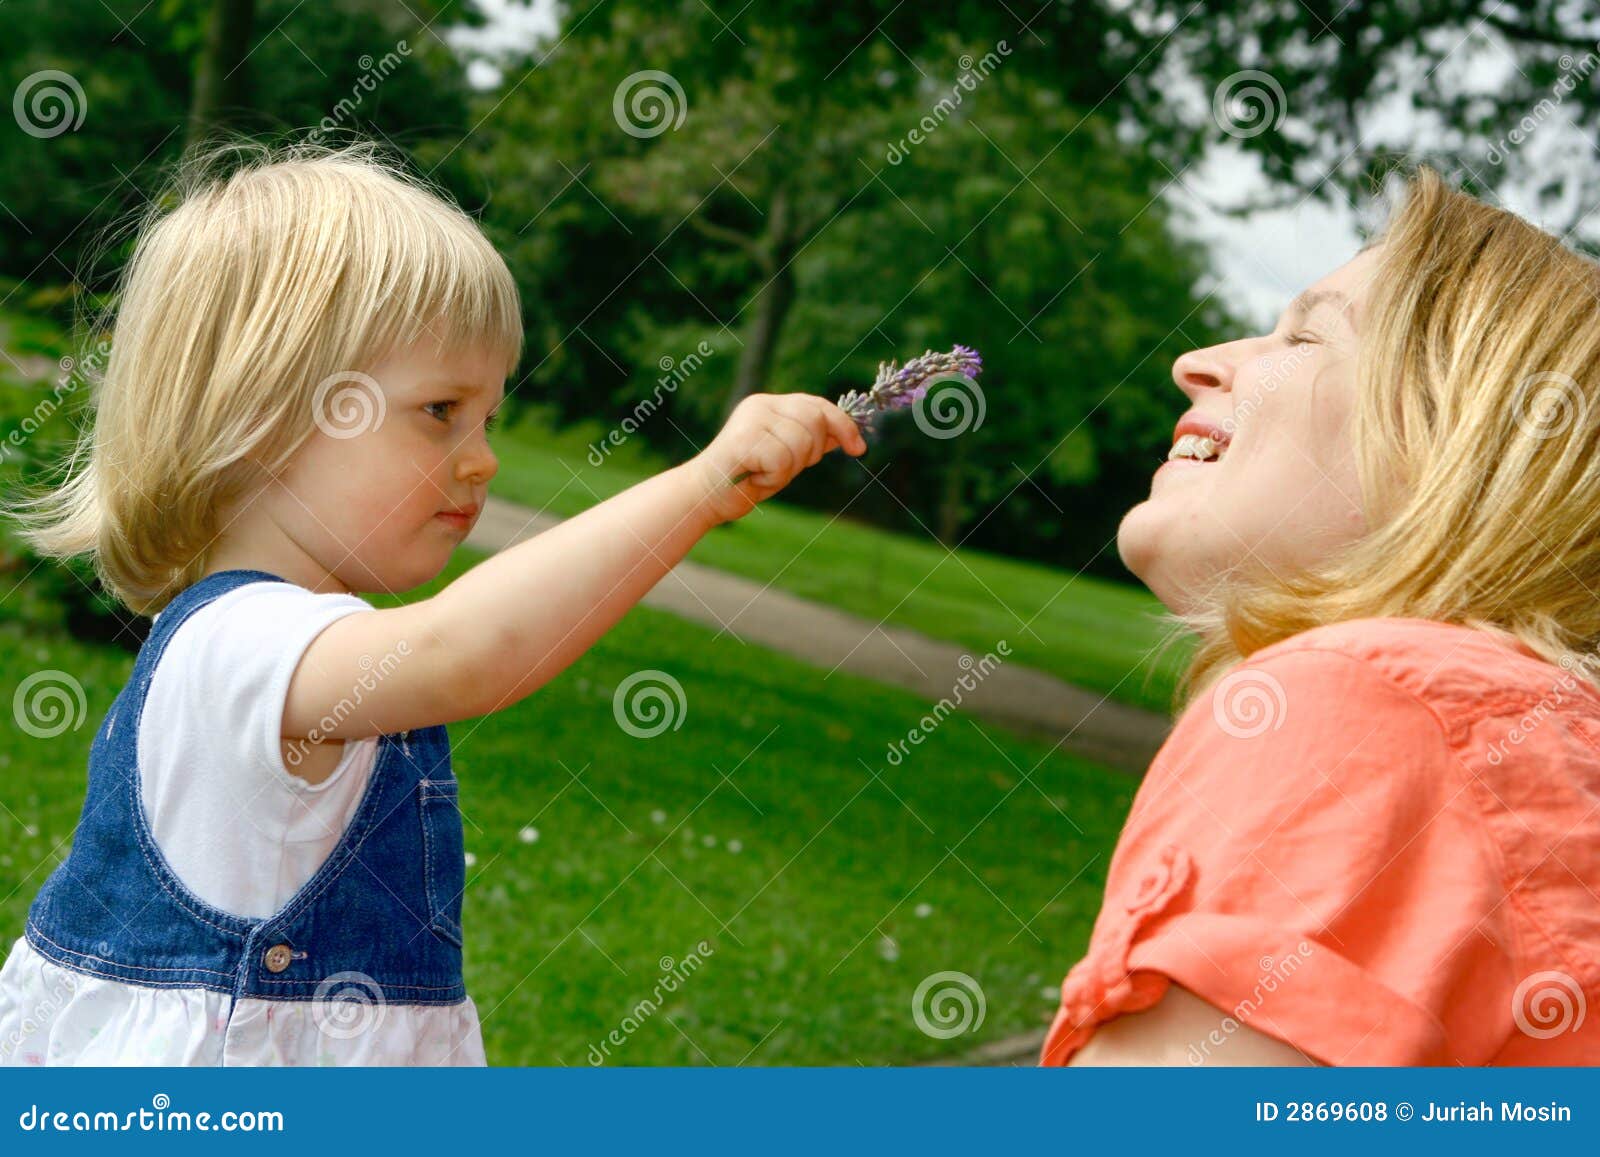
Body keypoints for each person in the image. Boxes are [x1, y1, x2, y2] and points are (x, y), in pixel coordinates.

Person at [0, 140, 865, 1065]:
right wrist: (701, 487)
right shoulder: (239, 640)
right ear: (265, 413)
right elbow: (470, 650)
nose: (482, 458)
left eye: (489, 415)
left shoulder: (280, 635)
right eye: (441, 411)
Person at [1044, 166, 1600, 1066]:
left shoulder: (1365, 705)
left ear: (1450, 447)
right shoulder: (1549, 744)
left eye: (1303, 334)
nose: (1196, 363)